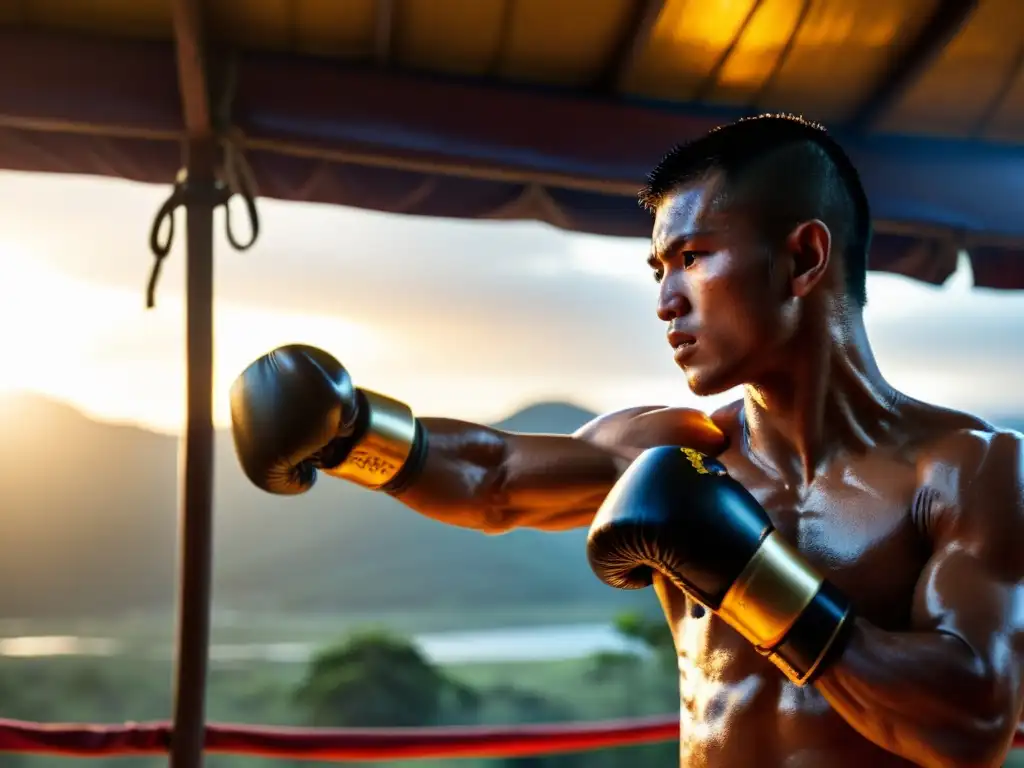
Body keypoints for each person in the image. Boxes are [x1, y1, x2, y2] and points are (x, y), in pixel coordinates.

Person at [229, 113, 1024, 767]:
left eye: (692, 257)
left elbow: (972, 723)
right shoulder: (679, 451)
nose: (666, 300)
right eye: (657, 271)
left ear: (804, 258)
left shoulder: (970, 469)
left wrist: (749, 577)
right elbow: (495, 478)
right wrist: (351, 431)